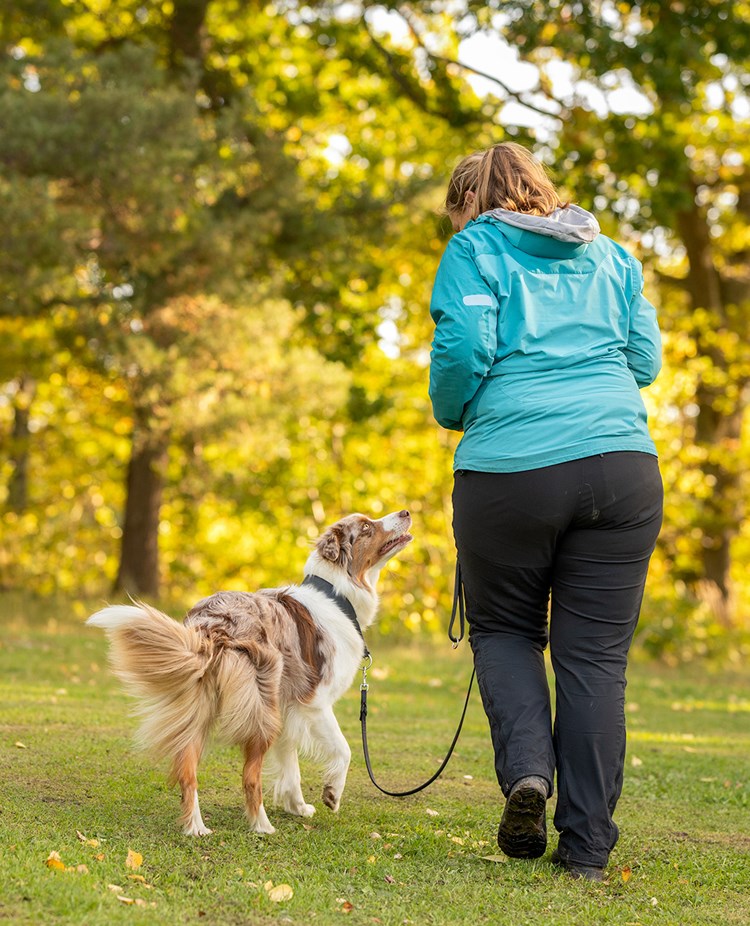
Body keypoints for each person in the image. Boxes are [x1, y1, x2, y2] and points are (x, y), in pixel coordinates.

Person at [428, 142, 663, 881]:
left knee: (504, 629)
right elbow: (646, 359)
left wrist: (455, 411)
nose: (454, 229)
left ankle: (528, 771)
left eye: (455, 215)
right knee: (594, 660)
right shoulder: (613, 255)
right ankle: (587, 852)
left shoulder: (475, 248)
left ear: (472, 201)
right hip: (624, 468)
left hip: (512, 469)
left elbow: (464, 347)